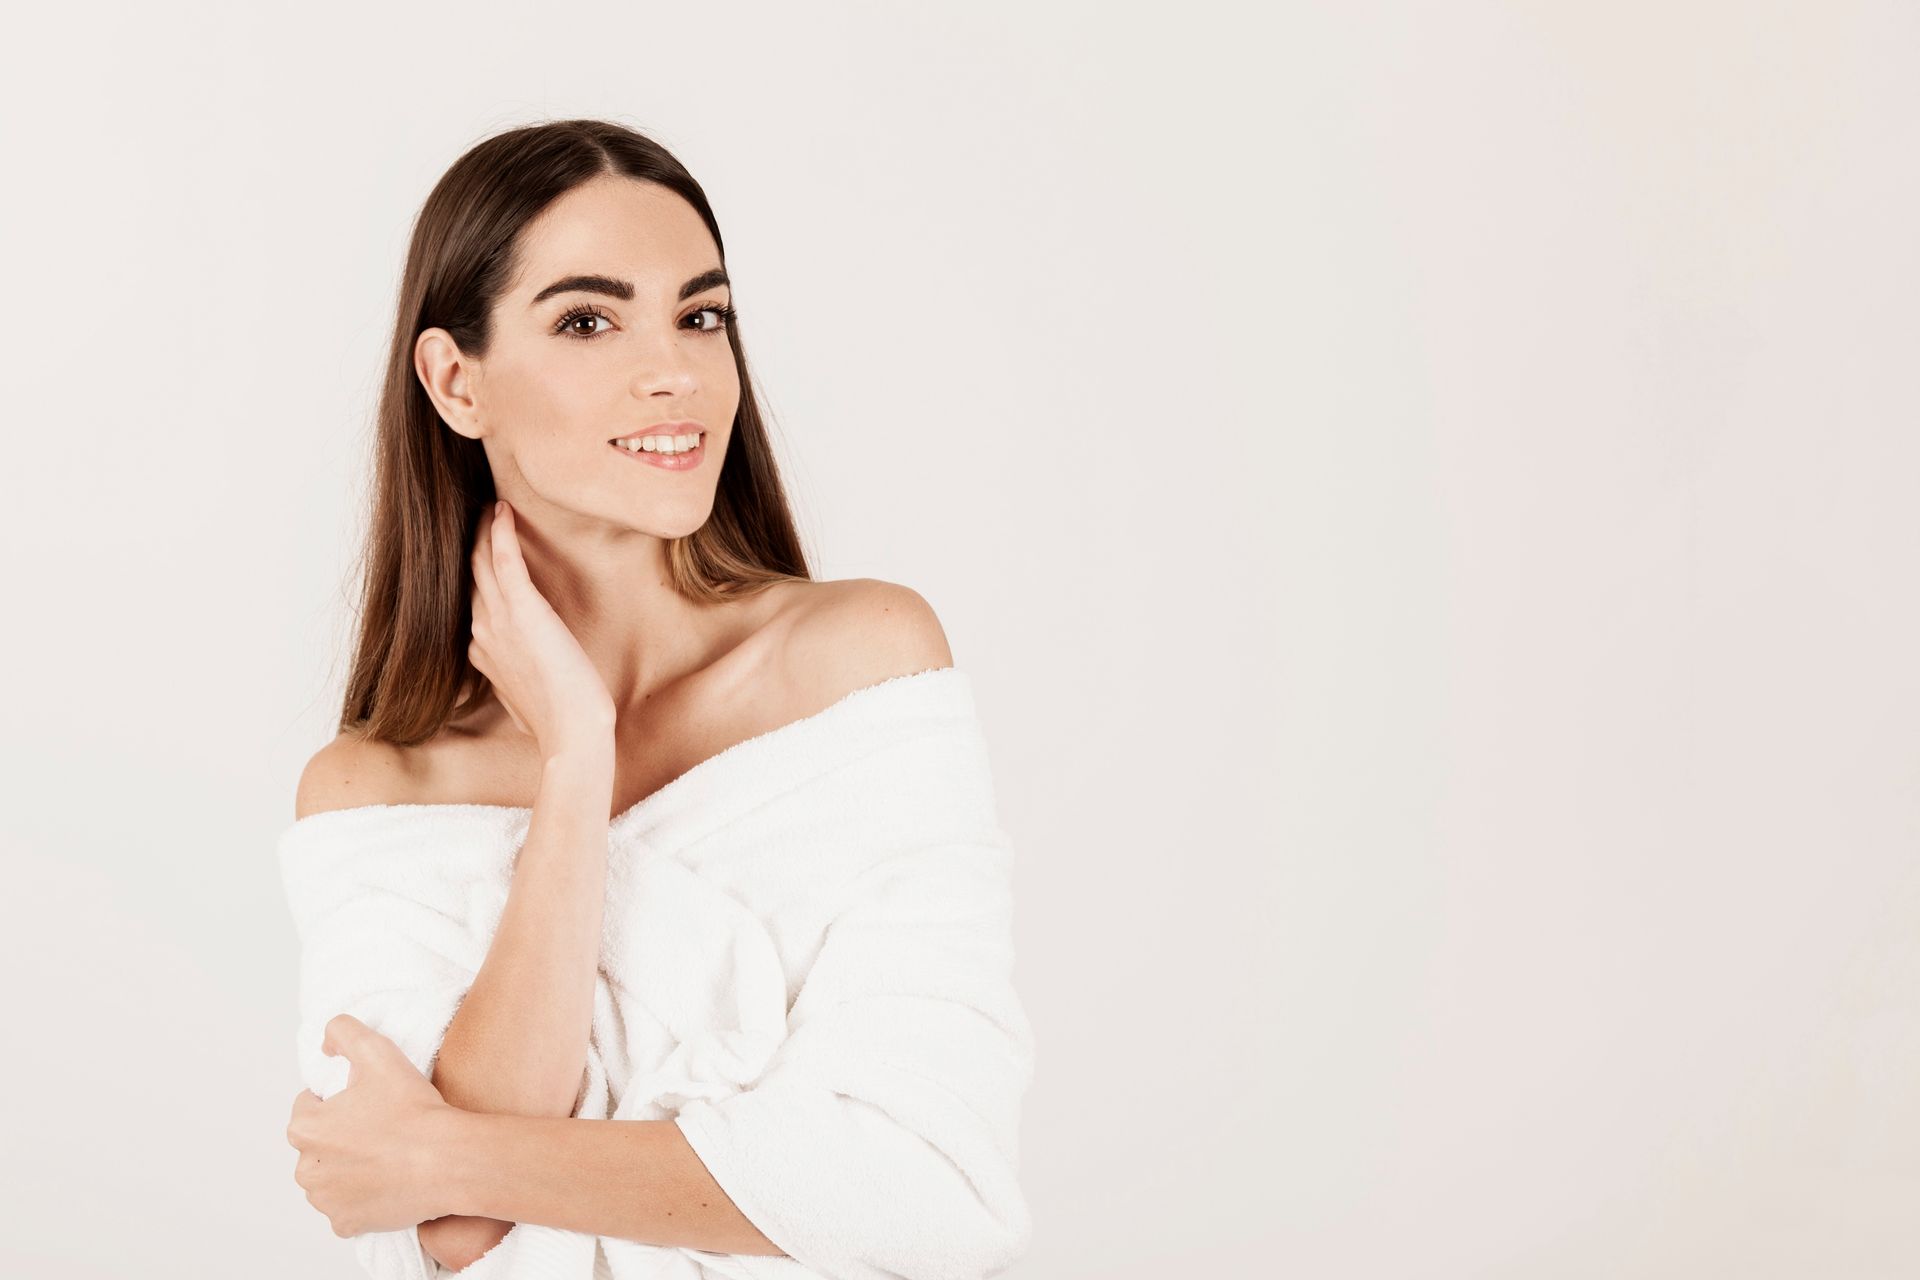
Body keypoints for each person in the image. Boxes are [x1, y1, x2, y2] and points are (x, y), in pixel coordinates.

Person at [279, 119, 1032, 1280]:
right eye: (589, 319)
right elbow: (448, 1235)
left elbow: (927, 1188)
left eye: (701, 313)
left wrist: (446, 1147)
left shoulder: (860, 664)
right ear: (455, 378)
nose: (675, 368)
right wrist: (576, 765)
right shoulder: (376, 788)